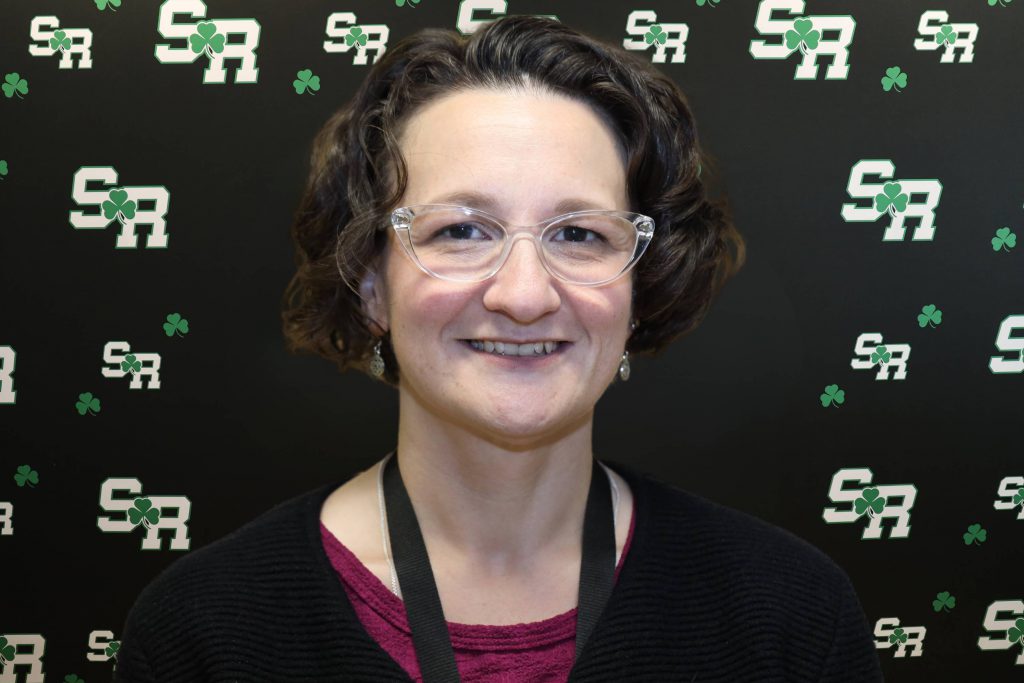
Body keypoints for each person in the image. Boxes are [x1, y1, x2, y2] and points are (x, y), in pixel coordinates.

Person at [113, 14, 883, 682]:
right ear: (370, 285)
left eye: (579, 234)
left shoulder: (791, 615)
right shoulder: (202, 633)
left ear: (639, 290)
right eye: (460, 231)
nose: (523, 293)